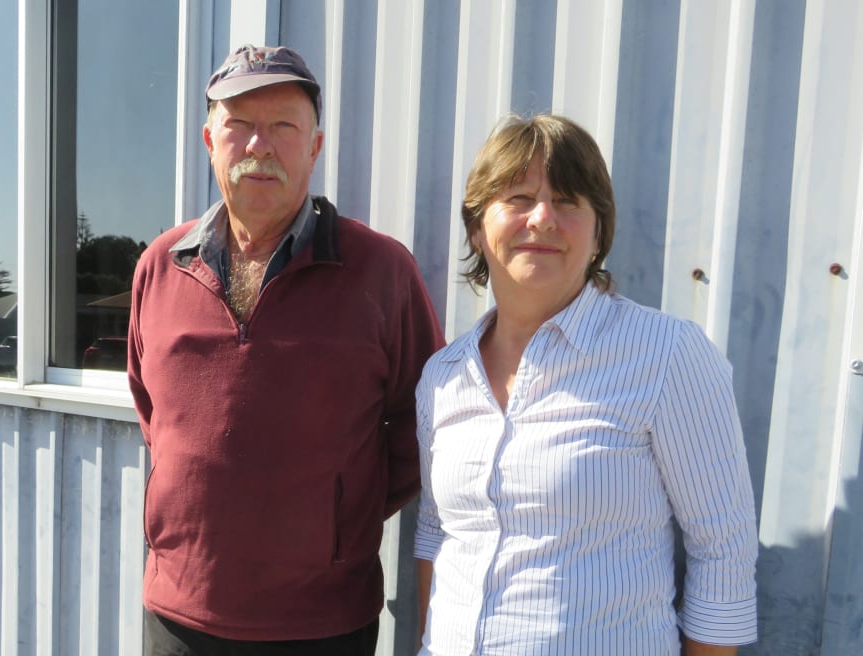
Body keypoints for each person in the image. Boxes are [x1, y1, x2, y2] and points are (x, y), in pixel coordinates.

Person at [128, 43, 445, 656]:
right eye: (239, 126)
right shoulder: (158, 267)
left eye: (282, 127)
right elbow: (153, 413)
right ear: (209, 140)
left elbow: (423, 431)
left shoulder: (380, 271)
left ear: (315, 147)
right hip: (178, 616)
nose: (259, 147)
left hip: (322, 623)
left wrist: (333, 515)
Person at [414, 114, 757, 655]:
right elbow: (437, 534)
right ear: (478, 228)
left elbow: (723, 552)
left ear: (599, 232)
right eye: (519, 198)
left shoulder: (667, 356)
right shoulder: (443, 377)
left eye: (569, 202)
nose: (544, 218)